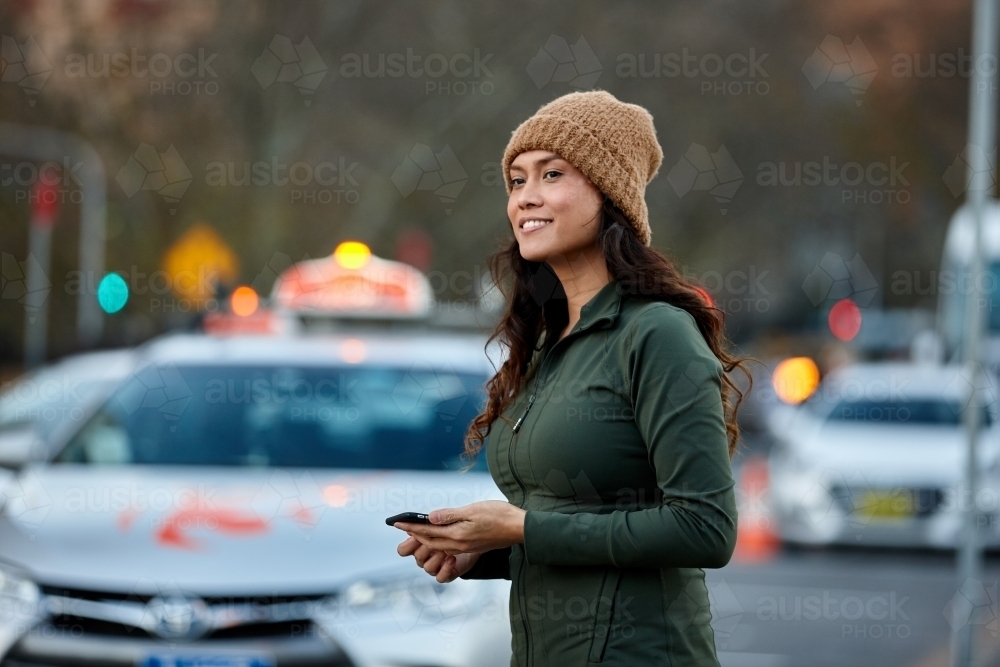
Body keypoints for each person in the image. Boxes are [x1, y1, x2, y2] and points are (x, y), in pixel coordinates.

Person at [393, 89, 756, 666]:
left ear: (609, 193)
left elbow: (704, 528)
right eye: (516, 181)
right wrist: (481, 551)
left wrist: (521, 529)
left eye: (551, 174)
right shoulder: (547, 342)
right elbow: (574, 526)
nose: (525, 199)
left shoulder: (656, 334)